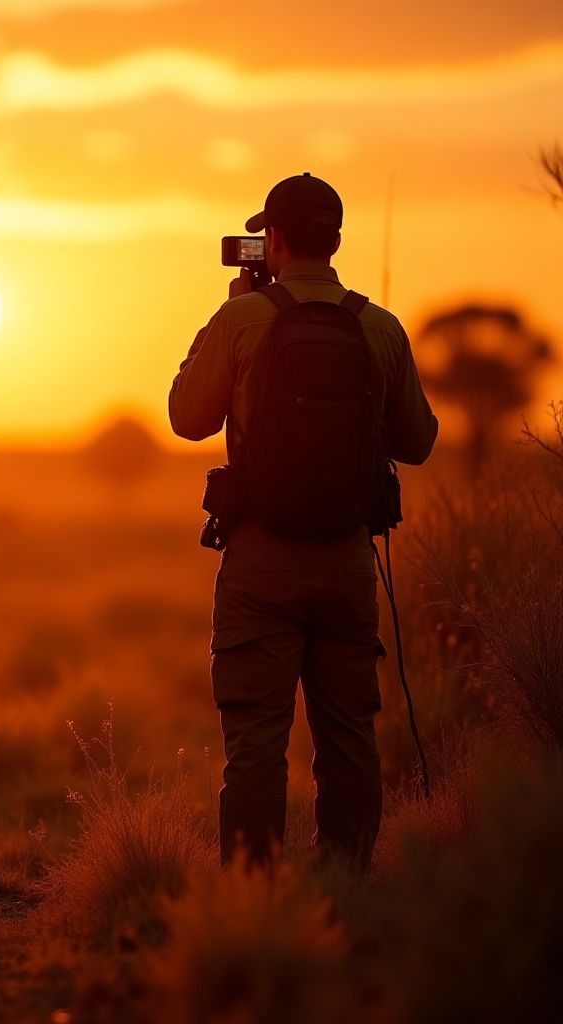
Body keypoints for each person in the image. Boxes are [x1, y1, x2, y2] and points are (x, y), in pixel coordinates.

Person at [169, 173, 438, 870]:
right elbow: (419, 442)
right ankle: (345, 887)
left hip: (261, 561)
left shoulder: (244, 319)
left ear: (276, 240)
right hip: (348, 564)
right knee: (349, 736)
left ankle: (254, 896)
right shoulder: (378, 326)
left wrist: (225, 315)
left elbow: (187, 417)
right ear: (336, 240)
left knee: (257, 743)